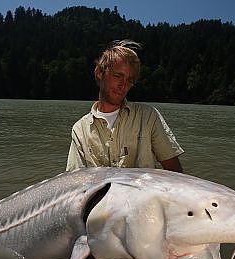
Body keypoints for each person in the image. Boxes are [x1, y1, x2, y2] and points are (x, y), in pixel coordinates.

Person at [66, 39, 184, 172]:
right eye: (118, 76)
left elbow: (176, 173)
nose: (123, 85)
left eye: (129, 80)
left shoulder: (148, 116)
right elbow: (75, 180)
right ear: (100, 73)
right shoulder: (80, 129)